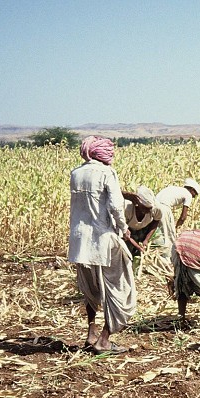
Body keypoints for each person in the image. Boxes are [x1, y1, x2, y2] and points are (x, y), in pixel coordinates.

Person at [68, 136, 136, 354]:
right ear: (102, 154)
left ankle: (91, 333)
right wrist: (124, 228)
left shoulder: (76, 173)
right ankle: (104, 340)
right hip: (103, 239)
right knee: (120, 288)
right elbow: (116, 206)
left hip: (79, 242)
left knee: (90, 288)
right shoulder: (107, 173)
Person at [121, 185, 175, 260]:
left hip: (146, 229)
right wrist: (138, 247)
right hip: (129, 231)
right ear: (138, 204)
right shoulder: (127, 208)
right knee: (126, 251)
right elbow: (125, 233)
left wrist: (146, 240)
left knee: (159, 243)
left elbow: (156, 221)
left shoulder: (156, 208)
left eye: (150, 209)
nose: (149, 211)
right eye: (145, 208)